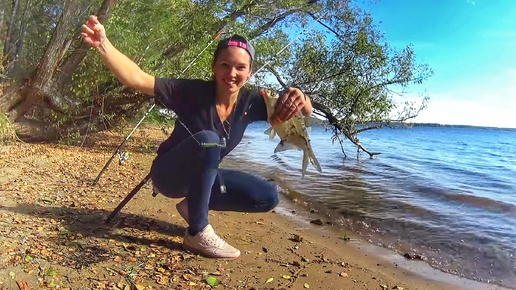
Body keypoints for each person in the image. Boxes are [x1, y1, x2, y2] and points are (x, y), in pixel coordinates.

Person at [82, 15, 313, 259]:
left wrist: (302, 99)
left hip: (203, 179)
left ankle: (192, 206)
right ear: (214, 67)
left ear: (249, 72)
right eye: (225, 65)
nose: (232, 73)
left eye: (240, 67)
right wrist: (103, 44)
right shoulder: (190, 92)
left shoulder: (254, 102)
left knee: (268, 196)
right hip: (169, 174)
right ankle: (197, 232)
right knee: (209, 139)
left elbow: (302, 112)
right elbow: (137, 78)